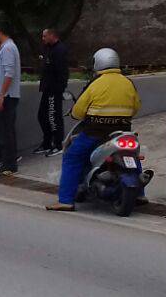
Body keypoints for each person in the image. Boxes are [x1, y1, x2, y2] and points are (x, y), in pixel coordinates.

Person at [47, 47, 140, 212]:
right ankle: (140, 194)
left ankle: (66, 200)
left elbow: (78, 111)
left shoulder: (96, 83)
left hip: (95, 132)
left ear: (98, 63)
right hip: (122, 131)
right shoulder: (128, 82)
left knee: (72, 157)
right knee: (133, 156)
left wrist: (76, 113)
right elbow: (136, 107)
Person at [0, 23, 22, 176]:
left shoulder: (8, 48)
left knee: (5, 131)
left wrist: (1, 95)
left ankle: (8, 164)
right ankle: (9, 163)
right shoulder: (9, 47)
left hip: (7, 96)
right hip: (7, 95)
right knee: (6, 131)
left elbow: (9, 73)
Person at [35, 28, 70, 155]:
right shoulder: (47, 49)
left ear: (51, 35)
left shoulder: (60, 50)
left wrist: (59, 89)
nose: (42, 39)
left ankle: (58, 144)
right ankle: (46, 142)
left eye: (44, 36)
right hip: (47, 88)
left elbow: (63, 72)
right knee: (42, 116)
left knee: (53, 117)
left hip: (54, 89)